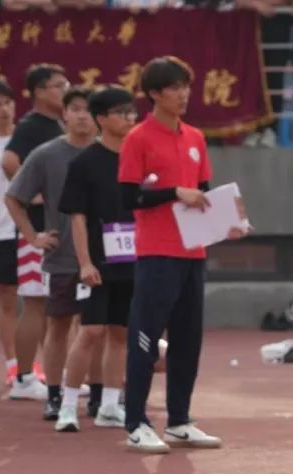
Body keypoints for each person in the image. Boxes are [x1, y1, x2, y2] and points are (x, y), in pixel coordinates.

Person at [118, 56, 229, 453]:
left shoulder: (196, 138)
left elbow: (204, 193)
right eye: (174, 88)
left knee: (187, 339)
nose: (183, 94)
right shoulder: (138, 138)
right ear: (153, 94)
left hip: (193, 253)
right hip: (157, 253)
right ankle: (136, 423)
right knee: (146, 338)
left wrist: (229, 220)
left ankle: (179, 421)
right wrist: (174, 193)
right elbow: (129, 197)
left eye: (186, 86)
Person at [4, 85, 97, 418]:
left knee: (100, 328)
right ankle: (55, 395)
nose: (82, 115)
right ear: (64, 114)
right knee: (58, 325)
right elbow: (14, 197)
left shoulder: (112, 152)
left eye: (89, 109)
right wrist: (34, 236)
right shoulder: (46, 154)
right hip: (63, 256)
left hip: (106, 257)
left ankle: (101, 394)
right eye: (75, 108)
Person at [55, 86, 140, 432]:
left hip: (133, 258)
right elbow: (77, 217)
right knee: (90, 331)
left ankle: (109, 406)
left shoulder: (138, 157)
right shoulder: (85, 162)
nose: (129, 118)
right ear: (101, 119)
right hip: (97, 261)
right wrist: (85, 263)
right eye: (121, 112)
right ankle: (68, 407)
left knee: (120, 333)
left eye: (132, 112)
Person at [2, 63, 68, 398]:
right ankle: (24, 378)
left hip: (59, 229)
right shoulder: (31, 126)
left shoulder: (58, 125)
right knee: (36, 304)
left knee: (59, 307)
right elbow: (9, 161)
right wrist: (33, 194)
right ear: (39, 91)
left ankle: (59, 374)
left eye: (66, 83)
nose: (64, 89)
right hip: (37, 231)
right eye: (58, 85)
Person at [0, 80, 18, 387]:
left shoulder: (24, 141)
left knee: (12, 299)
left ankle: (17, 365)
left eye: (7, 103)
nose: (3, 110)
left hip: (16, 231)